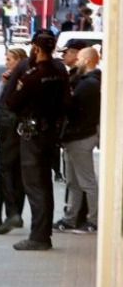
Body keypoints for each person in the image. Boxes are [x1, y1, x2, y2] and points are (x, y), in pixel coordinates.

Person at [2, 31, 70, 251]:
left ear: (36, 49)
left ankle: (39, 237)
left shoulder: (31, 76)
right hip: (51, 133)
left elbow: (11, 102)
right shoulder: (60, 70)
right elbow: (67, 101)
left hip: (33, 134)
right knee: (45, 185)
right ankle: (43, 233)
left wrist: (13, 84)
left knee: (35, 185)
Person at [55, 46, 101, 234]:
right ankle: (71, 218)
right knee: (74, 182)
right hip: (77, 136)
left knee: (86, 181)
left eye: (80, 58)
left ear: (88, 60)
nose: (76, 61)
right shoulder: (87, 81)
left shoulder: (89, 83)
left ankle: (93, 220)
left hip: (81, 136)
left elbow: (75, 109)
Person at [0, 47, 27, 234]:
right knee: (8, 173)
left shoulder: (22, 78)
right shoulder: (7, 78)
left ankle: (13, 213)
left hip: (12, 131)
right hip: (7, 130)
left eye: (10, 59)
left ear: (19, 60)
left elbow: (8, 103)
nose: (7, 62)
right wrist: (3, 84)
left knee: (9, 172)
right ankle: (3, 214)